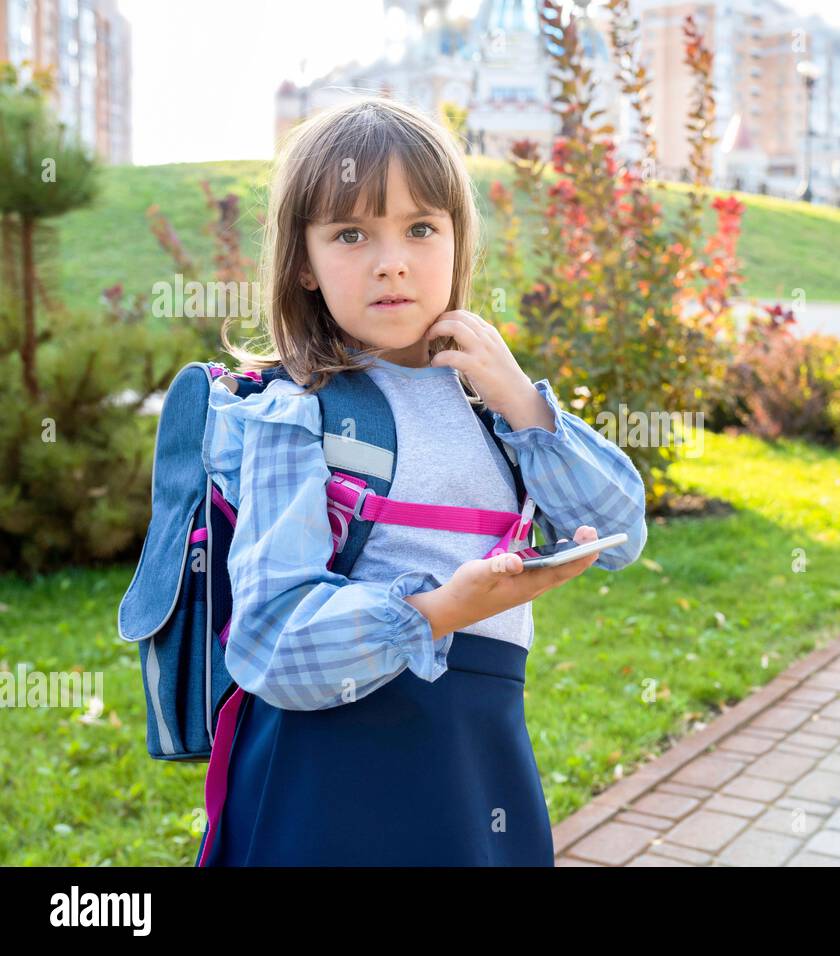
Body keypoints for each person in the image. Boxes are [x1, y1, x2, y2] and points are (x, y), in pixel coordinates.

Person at [193, 96, 647, 866]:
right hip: (330, 771)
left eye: (420, 228)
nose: (391, 261)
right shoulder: (297, 410)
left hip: (478, 759)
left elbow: (621, 534)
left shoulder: (488, 396)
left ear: (456, 238)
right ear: (302, 262)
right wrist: (441, 610)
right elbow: (272, 645)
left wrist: (522, 400)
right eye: (350, 234)